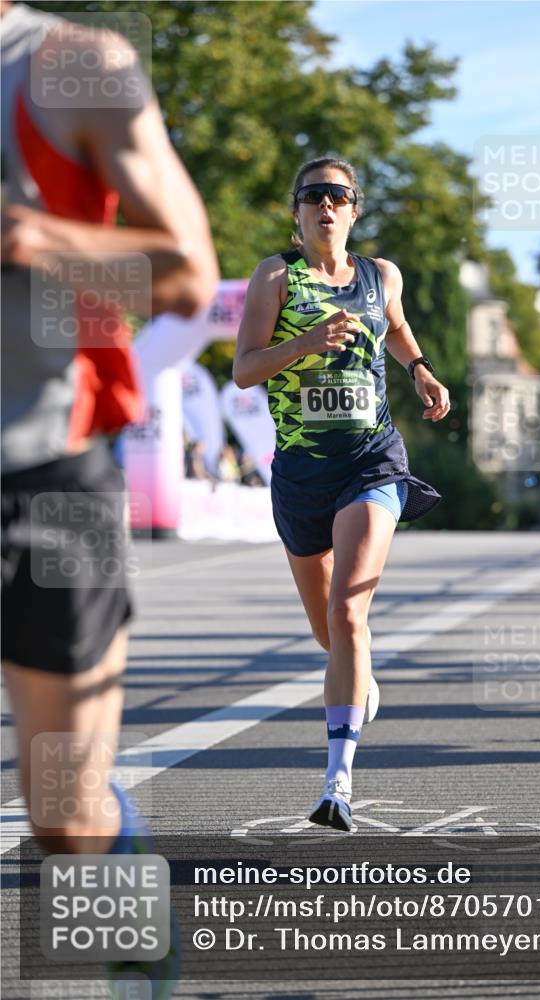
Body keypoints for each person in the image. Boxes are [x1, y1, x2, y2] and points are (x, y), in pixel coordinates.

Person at [1, 2, 218, 992]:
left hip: (44, 475)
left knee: (64, 817)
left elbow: (185, 274)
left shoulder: (74, 66)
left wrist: (33, 236)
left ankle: (137, 927)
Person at [234, 156, 449, 831]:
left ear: (354, 210)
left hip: (370, 459)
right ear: (296, 213)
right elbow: (244, 369)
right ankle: (357, 676)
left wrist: (419, 369)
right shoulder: (275, 277)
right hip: (301, 471)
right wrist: (305, 342)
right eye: (312, 196)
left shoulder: (381, 275)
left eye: (338, 195)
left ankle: (337, 781)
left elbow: (396, 323)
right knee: (328, 630)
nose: (325, 205)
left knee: (349, 611)